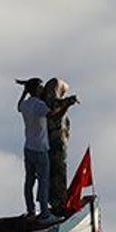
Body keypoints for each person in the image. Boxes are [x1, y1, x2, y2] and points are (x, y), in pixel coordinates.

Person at [16, 78, 77, 222]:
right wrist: (67, 105)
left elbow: (18, 105)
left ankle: (31, 211)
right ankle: (44, 214)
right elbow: (54, 116)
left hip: (28, 147)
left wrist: (24, 92)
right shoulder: (39, 106)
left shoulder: (25, 105)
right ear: (37, 89)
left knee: (29, 182)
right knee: (43, 182)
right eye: (40, 87)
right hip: (40, 149)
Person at [42, 77, 74, 215]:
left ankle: (56, 202)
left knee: (54, 172)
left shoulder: (48, 102)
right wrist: (67, 104)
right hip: (56, 142)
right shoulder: (52, 104)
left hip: (52, 143)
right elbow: (55, 116)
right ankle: (59, 203)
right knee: (58, 172)